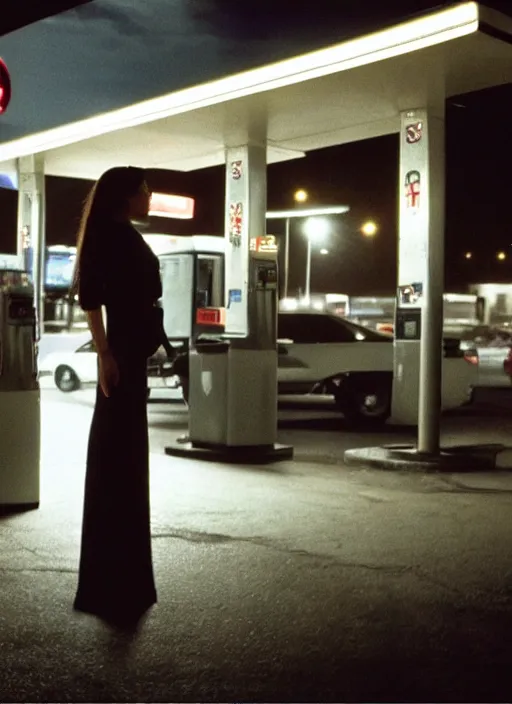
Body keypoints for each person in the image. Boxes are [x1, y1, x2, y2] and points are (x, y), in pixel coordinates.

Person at [72, 166, 164, 627]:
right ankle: (114, 584)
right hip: (122, 359)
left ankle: (121, 580)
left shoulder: (120, 231)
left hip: (132, 357)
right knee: (119, 462)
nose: (150, 197)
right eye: (145, 191)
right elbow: (91, 298)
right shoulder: (111, 235)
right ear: (127, 197)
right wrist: (105, 353)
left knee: (124, 462)